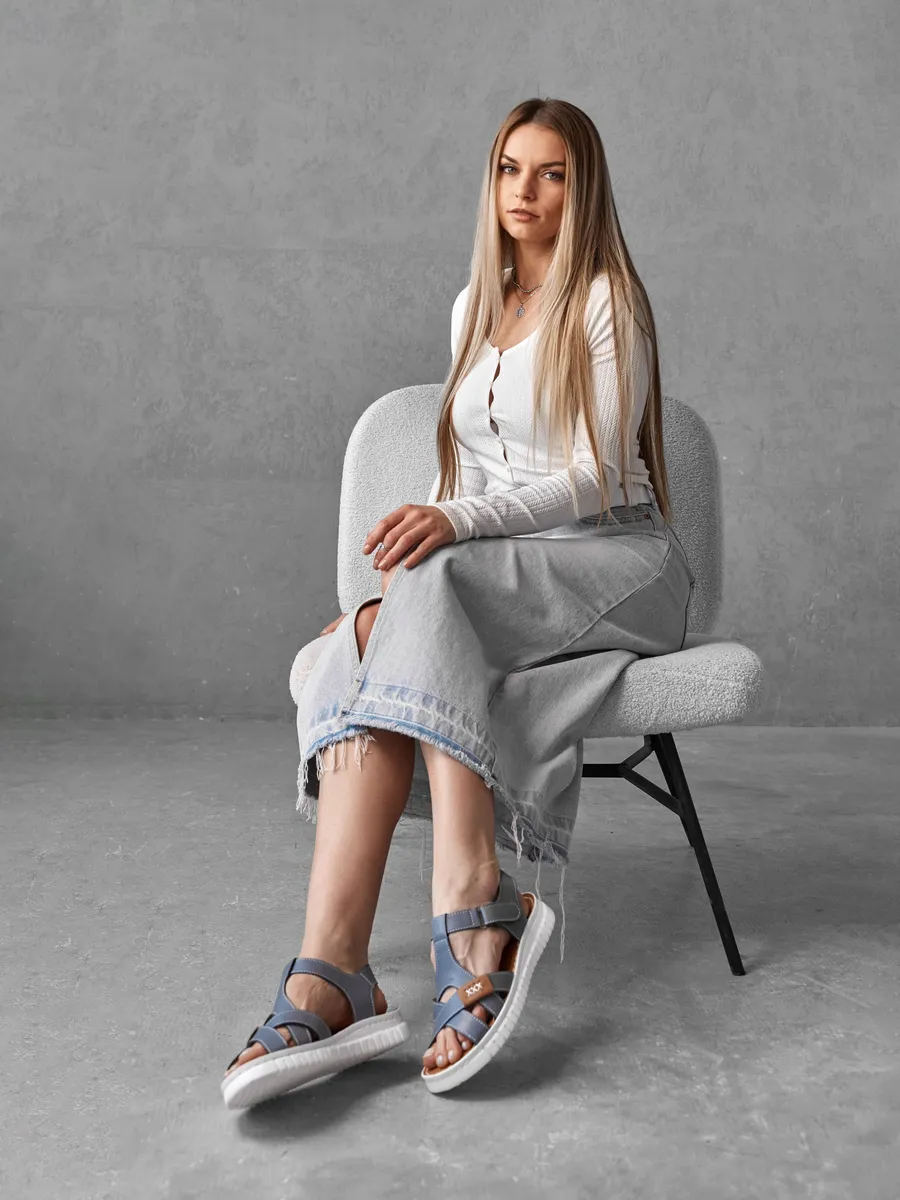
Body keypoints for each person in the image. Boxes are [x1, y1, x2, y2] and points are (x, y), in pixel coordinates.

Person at [221, 98, 694, 1110]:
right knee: (372, 629)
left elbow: (594, 479)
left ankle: (467, 908)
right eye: (511, 169)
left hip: (619, 560)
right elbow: (466, 477)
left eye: (552, 173)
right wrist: (393, 591)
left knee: (418, 595)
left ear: (583, 187)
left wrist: (456, 530)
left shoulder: (609, 301)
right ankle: (335, 966)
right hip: (504, 571)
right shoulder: (474, 304)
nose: (527, 192)